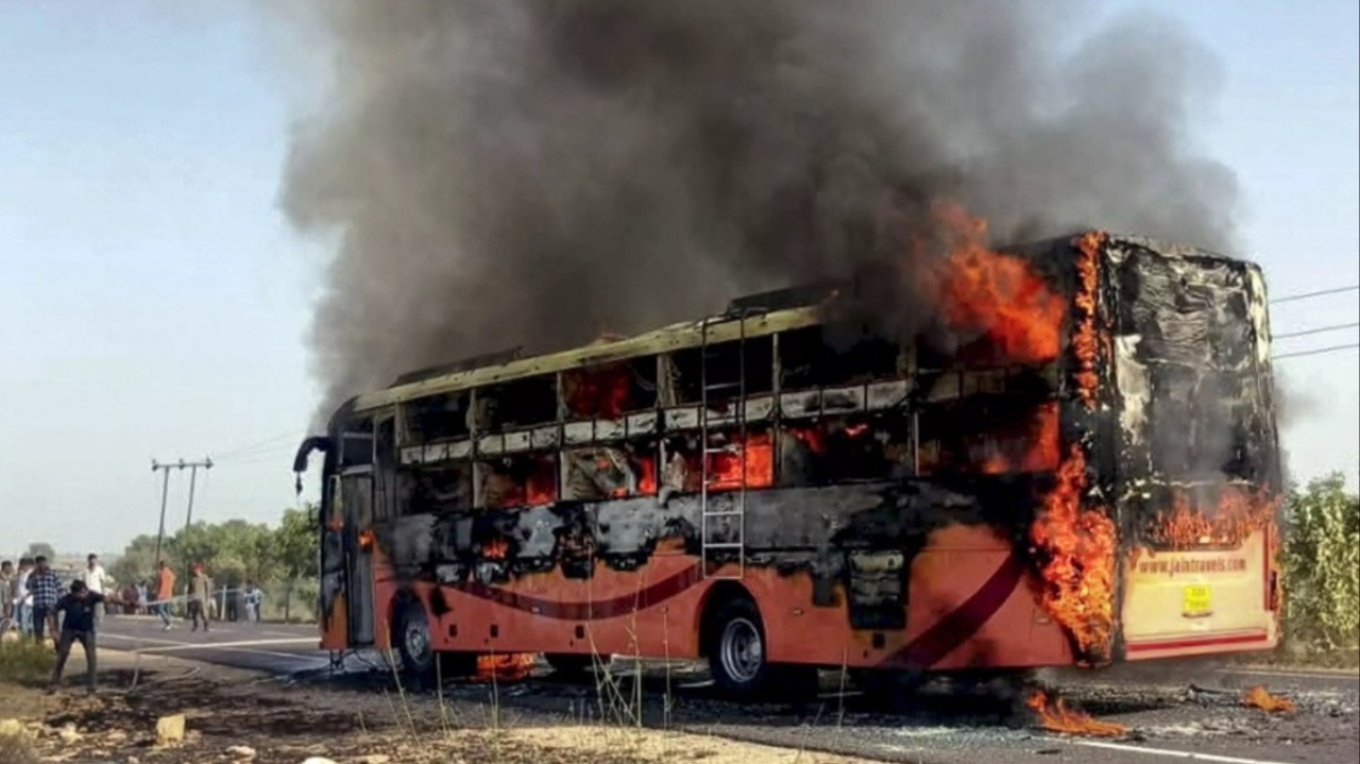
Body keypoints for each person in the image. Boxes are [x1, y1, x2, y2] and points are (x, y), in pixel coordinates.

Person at [48, 580, 125, 695]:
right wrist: (53, 630)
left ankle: (92, 686)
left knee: (91, 656)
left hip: (87, 630)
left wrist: (127, 603)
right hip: (70, 629)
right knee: (62, 654)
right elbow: (51, 612)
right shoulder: (66, 599)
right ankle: (54, 683)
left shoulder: (92, 596)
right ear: (74, 593)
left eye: (85, 591)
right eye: (81, 593)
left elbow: (109, 599)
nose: (84, 594)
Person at [26, 556, 62, 645]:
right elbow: (27, 586)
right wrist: (33, 575)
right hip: (38, 605)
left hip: (51, 605)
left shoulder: (52, 573)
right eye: (39, 563)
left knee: (53, 628)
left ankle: (58, 648)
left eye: (43, 563)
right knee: (38, 629)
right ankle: (39, 649)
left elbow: (60, 588)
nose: (42, 565)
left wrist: (61, 602)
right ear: (36, 564)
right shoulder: (33, 575)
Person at [79, 554, 115, 627]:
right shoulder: (85, 571)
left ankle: (96, 627)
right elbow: (82, 582)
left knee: (98, 613)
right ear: (88, 561)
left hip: (97, 593)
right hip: (88, 594)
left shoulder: (100, 570)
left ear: (96, 561)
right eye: (91, 560)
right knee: (87, 612)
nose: (93, 562)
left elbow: (102, 582)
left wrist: (103, 593)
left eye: (94, 560)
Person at [187, 564, 213, 632]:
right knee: (194, 614)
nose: (196, 572)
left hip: (202, 598)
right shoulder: (192, 579)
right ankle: (195, 625)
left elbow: (208, 588)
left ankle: (206, 626)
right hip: (194, 598)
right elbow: (189, 590)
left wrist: (208, 598)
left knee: (204, 614)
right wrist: (189, 598)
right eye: (195, 570)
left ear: (200, 571)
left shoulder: (204, 578)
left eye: (197, 570)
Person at [14, 558, 34, 637]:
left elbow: (32, 588)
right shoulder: (24, 574)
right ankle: (27, 637)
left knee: (24, 621)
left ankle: (25, 638)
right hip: (23, 600)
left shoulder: (30, 575)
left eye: (21, 565)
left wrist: (24, 597)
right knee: (26, 622)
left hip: (27, 601)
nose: (20, 567)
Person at [154, 561, 176, 630]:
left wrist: (158, 593)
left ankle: (168, 623)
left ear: (161, 566)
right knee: (167, 610)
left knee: (161, 609)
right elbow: (173, 579)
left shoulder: (163, 573)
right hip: (169, 594)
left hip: (163, 594)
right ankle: (168, 625)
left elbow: (160, 584)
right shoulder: (170, 573)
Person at [0, 560, 13, 633]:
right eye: (10, 568)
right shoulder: (2, 582)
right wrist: (7, 609)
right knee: (6, 621)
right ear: (6, 568)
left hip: (5, 605)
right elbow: (5, 597)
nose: (11, 569)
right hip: (2, 607)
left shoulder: (8, 580)